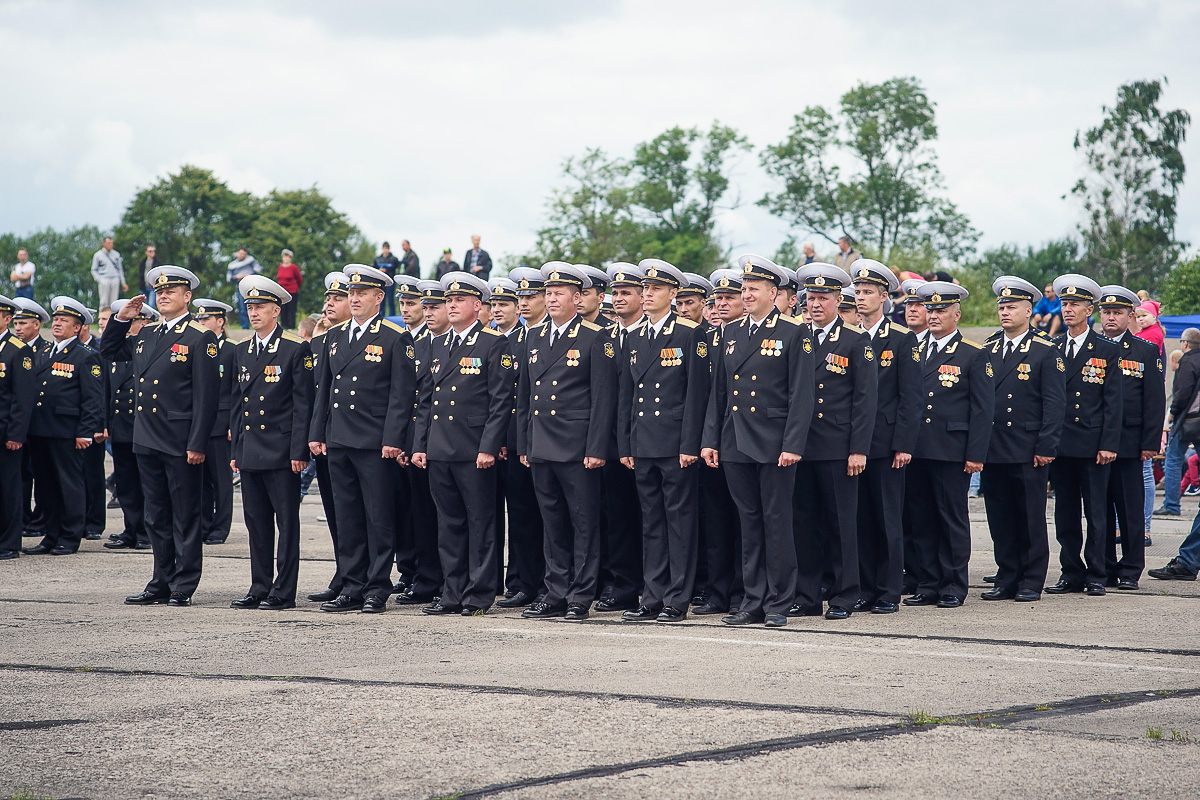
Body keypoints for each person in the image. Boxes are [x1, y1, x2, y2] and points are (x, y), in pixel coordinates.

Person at [701, 255, 815, 627]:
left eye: (753, 289)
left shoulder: (793, 332)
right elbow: (719, 393)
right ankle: (753, 600)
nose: (745, 295)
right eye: (743, 289)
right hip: (735, 440)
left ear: (772, 292)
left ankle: (780, 601)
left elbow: (802, 395)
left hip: (774, 441)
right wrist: (710, 440)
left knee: (776, 522)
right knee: (749, 524)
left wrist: (793, 444)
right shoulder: (729, 333)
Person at [103, 266, 220, 607]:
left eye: (172, 291)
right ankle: (161, 579)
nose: (163, 294)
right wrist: (121, 317)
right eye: (160, 291)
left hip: (181, 440)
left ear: (188, 297)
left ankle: (184, 583)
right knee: (155, 515)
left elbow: (206, 397)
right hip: (148, 437)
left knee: (185, 514)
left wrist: (198, 443)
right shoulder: (147, 334)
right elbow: (109, 350)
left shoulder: (200, 337)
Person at [308, 264, 416, 613]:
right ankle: (352, 585)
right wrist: (317, 433)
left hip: (373, 440)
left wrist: (393, 438)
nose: (353, 299)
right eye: (350, 293)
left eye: (361, 293)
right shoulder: (334, 337)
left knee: (378, 516)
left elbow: (401, 395)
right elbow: (324, 390)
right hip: (339, 438)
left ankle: (376, 586)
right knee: (348, 515)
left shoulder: (392, 336)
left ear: (378, 298)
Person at [516, 263, 618, 621]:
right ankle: (555, 590)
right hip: (542, 444)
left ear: (578, 299)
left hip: (577, 446)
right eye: (549, 293)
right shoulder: (534, 336)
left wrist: (596, 448)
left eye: (559, 293)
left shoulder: (594, 337)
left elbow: (603, 399)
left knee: (584, 523)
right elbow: (526, 398)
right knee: (552, 523)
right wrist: (524, 444)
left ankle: (580, 595)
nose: (552, 298)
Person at [616, 259, 710, 622]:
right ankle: (652, 595)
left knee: (679, 522)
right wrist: (626, 446)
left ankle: (677, 598)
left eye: (656, 289)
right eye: (646, 289)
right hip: (643, 442)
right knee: (651, 523)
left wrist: (690, 445)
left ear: (673, 294)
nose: (648, 294)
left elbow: (696, 394)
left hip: (675, 444)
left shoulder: (688, 333)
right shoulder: (636, 337)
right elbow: (628, 395)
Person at [411, 272, 510, 615]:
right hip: (439, 447)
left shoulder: (492, 343)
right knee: (448, 525)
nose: (451, 306)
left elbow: (500, 402)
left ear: (476, 306)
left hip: (472, 449)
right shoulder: (436, 344)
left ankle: (479, 594)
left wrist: (488, 446)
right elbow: (426, 400)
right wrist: (420, 444)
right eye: (448, 301)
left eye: (458, 301)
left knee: (480, 523)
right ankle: (452, 592)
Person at [789, 263, 877, 620]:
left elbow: (865, 400)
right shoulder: (795, 336)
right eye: (811, 298)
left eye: (823, 298)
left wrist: (858, 448)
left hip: (839, 447)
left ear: (840, 300)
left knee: (841, 525)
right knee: (804, 524)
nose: (815, 304)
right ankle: (807, 595)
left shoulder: (856, 341)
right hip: (800, 445)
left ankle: (844, 595)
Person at [903, 281, 993, 609]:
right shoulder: (913, 349)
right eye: (930, 309)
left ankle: (954, 583)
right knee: (921, 519)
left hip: (952, 450)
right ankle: (928, 583)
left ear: (957, 314)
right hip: (917, 449)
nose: (934, 315)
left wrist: (975, 455)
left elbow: (983, 410)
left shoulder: (972, 354)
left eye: (941, 310)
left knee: (950, 518)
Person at [229, 276, 314, 610]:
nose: (254, 313)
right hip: (250, 450)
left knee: (286, 524)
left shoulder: (294, 348)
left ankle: (283, 590)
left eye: (260, 307)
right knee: (256, 524)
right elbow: (237, 405)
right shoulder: (241, 350)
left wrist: (298, 451)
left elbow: (302, 405)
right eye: (250, 307)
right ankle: (259, 586)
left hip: (281, 451)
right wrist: (236, 451)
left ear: (276, 310)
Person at [978, 277, 1064, 603]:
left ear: (1028, 311)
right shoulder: (988, 348)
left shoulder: (1044, 350)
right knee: (999, 517)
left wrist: (1046, 446)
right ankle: (1006, 575)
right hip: (994, 445)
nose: (1004, 312)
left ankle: (1031, 579)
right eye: (1001, 307)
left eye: (1011, 307)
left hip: (1028, 448)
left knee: (1029, 517)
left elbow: (1055, 404)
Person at [1045, 275, 1122, 597]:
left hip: (1092, 444)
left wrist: (1108, 444)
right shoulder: (1051, 347)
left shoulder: (1105, 349)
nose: (1068, 310)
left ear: (1089, 309)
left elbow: (1114, 403)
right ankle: (1070, 571)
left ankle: (1097, 572)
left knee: (1097, 512)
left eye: (1075, 304)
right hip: (1061, 444)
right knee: (1065, 513)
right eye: (1064, 304)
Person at [851, 261, 919, 614]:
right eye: (857, 292)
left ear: (884, 297)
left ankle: (889, 590)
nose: (861, 299)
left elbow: (911, 396)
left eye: (868, 293)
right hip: (855, 444)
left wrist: (904, 444)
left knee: (887, 518)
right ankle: (865, 587)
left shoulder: (902, 338)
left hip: (887, 442)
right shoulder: (849, 336)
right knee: (860, 519)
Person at [19, 297, 104, 556]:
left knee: (70, 485)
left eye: (63, 321)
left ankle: (70, 535)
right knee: (46, 486)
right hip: (40, 430)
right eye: (55, 320)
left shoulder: (86, 356)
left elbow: (92, 399)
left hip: (67, 431)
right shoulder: (44, 352)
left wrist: (85, 432)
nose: (57, 324)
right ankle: (51, 533)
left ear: (77, 327)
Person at [1096, 285, 1165, 591]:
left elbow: (1154, 401)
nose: (1112, 318)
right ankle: (1106, 567)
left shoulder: (1144, 351)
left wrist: (1150, 443)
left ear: (1130, 317)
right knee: (1100, 510)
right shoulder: (1093, 349)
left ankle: (1130, 569)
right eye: (1107, 312)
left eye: (1118, 313)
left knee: (1129, 509)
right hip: (1096, 443)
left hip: (1129, 443)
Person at [494, 270, 547, 609]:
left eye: (529, 298)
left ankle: (547, 583)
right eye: (521, 298)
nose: (524, 303)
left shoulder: (544, 337)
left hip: (551, 439)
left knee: (551, 517)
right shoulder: (507, 341)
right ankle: (524, 582)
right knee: (522, 515)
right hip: (517, 440)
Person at [392, 279, 446, 606]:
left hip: (440, 441)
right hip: (415, 442)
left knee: (438, 517)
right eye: (423, 307)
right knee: (416, 516)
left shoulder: (441, 344)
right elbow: (403, 397)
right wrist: (404, 443)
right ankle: (421, 576)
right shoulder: (411, 343)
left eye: (431, 307)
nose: (426, 313)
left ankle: (437, 579)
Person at [693, 269, 743, 615]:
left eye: (728, 298)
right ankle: (717, 591)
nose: (721, 304)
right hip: (709, 440)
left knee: (744, 521)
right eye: (717, 299)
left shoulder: (749, 337)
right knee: (715, 520)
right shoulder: (705, 339)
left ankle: (742, 591)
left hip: (743, 439)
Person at [304, 272, 353, 603]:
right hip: (328, 440)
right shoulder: (320, 343)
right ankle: (343, 572)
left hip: (358, 439)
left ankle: (361, 577)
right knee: (337, 514)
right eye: (327, 299)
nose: (329, 304)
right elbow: (313, 396)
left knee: (361, 515)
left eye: (337, 299)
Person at [102, 299, 158, 551]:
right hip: (123, 427)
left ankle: (146, 531)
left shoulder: (151, 345)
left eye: (133, 320)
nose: (129, 325)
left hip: (144, 427)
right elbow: (107, 349)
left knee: (145, 483)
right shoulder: (125, 348)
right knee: (125, 484)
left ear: (144, 322)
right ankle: (131, 528)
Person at [192, 299, 236, 545]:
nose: (201, 323)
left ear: (220, 322)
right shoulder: (197, 346)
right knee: (202, 480)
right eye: (199, 319)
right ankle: (205, 524)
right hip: (200, 424)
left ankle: (220, 528)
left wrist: (233, 423)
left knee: (221, 481)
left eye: (206, 319)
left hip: (221, 423)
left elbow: (236, 390)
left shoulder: (231, 349)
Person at [0, 294, 35, 560]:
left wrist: (15, 434)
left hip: (5, 433)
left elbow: (23, 398)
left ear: (7, 319)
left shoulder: (18, 349)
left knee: (8, 488)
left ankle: (10, 542)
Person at [1156, 329, 1200, 519]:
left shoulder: (1188, 361)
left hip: (1187, 421)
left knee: (1173, 460)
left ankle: (1172, 503)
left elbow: (1182, 392)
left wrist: (1172, 413)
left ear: (1185, 344)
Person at [226, 246, 263, 328]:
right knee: (242, 307)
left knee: (255, 306)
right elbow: (228, 278)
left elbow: (258, 269)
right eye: (241, 253)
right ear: (237, 253)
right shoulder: (232, 265)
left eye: (244, 253)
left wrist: (250, 275)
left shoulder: (251, 260)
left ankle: (256, 325)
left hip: (251, 286)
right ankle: (245, 326)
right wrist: (236, 277)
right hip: (240, 286)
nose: (242, 255)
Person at [91, 237, 127, 310]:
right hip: (104, 278)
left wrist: (123, 282)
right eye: (108, 243)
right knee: (104, 301)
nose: (110, 245)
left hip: (115, 278)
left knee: (114, 301)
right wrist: (99, 279)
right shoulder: (98, 255)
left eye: (111, 243)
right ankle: (103, 318)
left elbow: (120, 269)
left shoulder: (116, 254)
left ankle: (112, 318)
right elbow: (93, 269)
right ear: (103, 244)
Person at [276, 250, 303, 328]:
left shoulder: (294, 267)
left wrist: (296, 287)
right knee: (283, 309)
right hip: (282, 291)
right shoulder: (280, 267)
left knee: (291, 309)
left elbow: (299, 279)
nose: (286, 259)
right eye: (284, 257)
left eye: (287, 257)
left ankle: (291, 326)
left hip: (292, 290)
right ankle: (284, 326)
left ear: (290, 258)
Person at [373, 242, 402, 317]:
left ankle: (392, 316)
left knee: (391, 301)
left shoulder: (393, 259)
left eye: (387, 249)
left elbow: (398, 268)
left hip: (390, 282)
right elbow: (373, 269)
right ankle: (381, 315)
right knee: (381, 300)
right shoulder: (378, 259)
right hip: (381, 282)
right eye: (385, 248)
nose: (386, 250)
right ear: (382, 249)